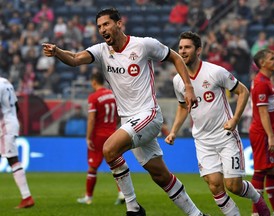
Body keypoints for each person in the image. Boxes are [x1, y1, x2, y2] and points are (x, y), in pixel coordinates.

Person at [42, 7, 206, 216]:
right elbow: (74, 59)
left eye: (106, 24)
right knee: (160, 175)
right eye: (99, 26)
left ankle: (133, 208)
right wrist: (57, 52)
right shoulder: (101, 50)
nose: (102, 29)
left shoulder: (144, 45)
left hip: (149, 114)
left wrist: (189, 86)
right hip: (129, 120)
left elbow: (174, 56)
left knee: (109, 149)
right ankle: (196, 214)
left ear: (119, 23)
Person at [165, 31, 270, 216]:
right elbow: (183, 107)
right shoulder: (177, 80)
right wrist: (174, 130)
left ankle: (257, 200)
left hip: (225, 136)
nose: (182, 51)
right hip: (202, 141)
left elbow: (243, 91)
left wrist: (235, 119)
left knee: (233, 186)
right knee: (215, 186)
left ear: (198, 50)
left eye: (187, 47)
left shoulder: (215, 72)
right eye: (180, 47)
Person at [76, 72, 125, 205]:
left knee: (92, 167)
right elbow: (120, 114)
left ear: (93, 82)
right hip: (113, 134)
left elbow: (91, 119)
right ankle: (122, 193)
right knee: (116, 166)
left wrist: (88, 137)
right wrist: (114, 125)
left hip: (98, 136)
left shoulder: (93, 97)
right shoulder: (112, 95)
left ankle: (88, 198)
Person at [250, 49, 274, 216]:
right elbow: (263, 112)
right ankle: (256, 213)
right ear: (262, 63)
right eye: (272, 59)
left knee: (272, 169)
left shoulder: (267, 81)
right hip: (263, 133)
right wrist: (271, 136)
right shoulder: (261, 83)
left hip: (268, 132)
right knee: (260, 170)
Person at [0, 76, 35, 208]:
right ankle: (26, 197)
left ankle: (27, 197)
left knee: (12, 159)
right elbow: (16, 105)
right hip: (10, 122)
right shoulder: (5, 81)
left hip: (5, 126)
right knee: (11, 158)